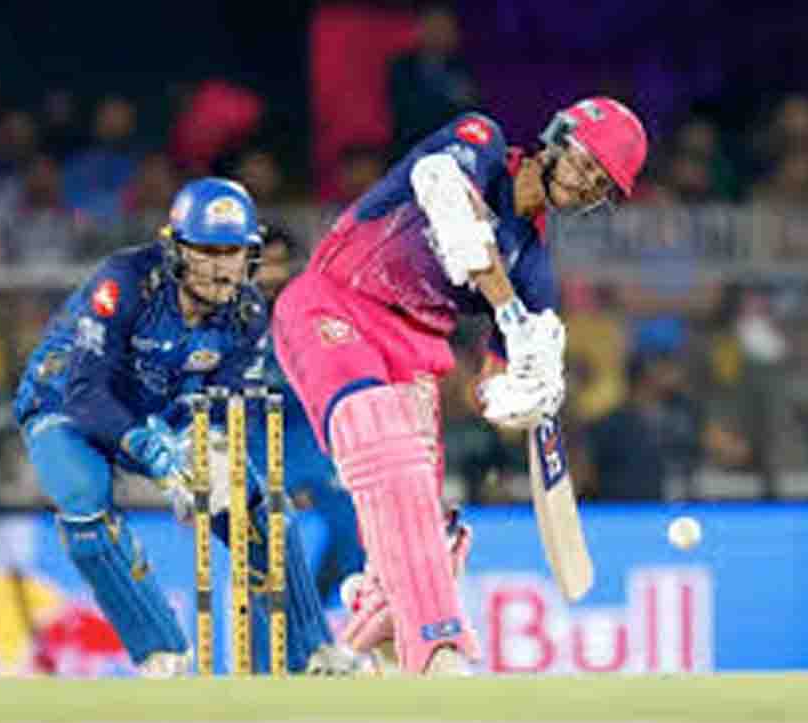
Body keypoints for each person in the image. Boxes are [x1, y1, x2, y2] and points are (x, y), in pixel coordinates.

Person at [272, 97, 648, 674]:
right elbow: (445, 198)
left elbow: (488, 390)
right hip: (335, 304)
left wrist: (521, 395)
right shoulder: (481, 142)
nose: (584, 183)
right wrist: (511, 314)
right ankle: (440, 645)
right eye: (584, 162)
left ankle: (357, 647)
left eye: (600, 184)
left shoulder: (534, 269)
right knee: (387, 453)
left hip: (415, 351)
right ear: (556, 137)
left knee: (432, 532)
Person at [14, 178, 349, 677]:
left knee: (257, 505)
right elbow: (87, 392)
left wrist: (205, 453)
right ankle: (161, 652)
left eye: (232, 252)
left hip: (167, 408)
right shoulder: (125, 281)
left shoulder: (247, 314)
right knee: (83, 498)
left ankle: (313, 648)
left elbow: (227, 404)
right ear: (175, 249)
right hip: (66, 400)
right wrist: (148, 447)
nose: (221, 267)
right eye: (206, 251)